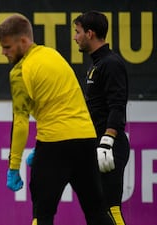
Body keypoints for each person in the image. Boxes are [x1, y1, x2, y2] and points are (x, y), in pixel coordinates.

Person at [0, 14, 114, 225]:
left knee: (43, 215)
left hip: (54, 144)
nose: (3, 52)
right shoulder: (53, 55)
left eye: (7, 47)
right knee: (97, 211)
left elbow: (20, 122)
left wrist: (14, 166)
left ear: (23, 41)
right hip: (86, 139)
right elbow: (68, 99)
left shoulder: (19, 72)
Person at [74, 11, 130, 225]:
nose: (75, 37)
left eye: (78, 32)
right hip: (97, 145)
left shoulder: (111, 63)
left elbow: (117, 106)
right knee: (98, 211)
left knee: (110, 208)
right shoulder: (97, 64)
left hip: (109, 147)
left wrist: (107, 141)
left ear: (90, 33)